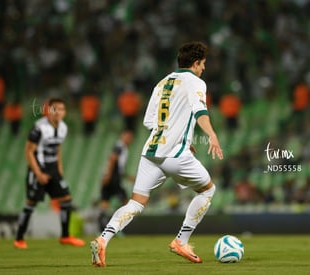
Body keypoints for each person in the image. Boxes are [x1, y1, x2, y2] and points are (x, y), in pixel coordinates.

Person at [90, 41, 223, 267]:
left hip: (151, 153)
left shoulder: (162, 82)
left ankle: (102, 240)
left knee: (136, 203)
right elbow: (200, 111)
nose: (204, 68)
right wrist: (211, 134)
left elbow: (149, 121)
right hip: (175, 155)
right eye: (203, 64)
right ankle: (181, 241)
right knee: (208, 190)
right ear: (195, 63)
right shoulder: (196, 82)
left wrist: (181, 136)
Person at [14, 98, 85, 249]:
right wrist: (38, 173)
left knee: (66, 199)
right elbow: (28, 151)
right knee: (31, 203)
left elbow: (57, 149)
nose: (59, 112)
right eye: (55, 109)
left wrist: (59, 170)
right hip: (38, 168)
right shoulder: (38, 128)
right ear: (49, 110)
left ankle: (65, 236)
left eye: (62, 109)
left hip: (53, 170)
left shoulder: (63, 128)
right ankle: (19, 238)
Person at [98, 130, 135, 231]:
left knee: (105, 202)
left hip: (111, 176)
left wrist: (128, 177)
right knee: (126, 202)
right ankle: (120, 226)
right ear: (122, 136)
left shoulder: (121, 147)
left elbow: (119, 167)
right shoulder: (120, 147)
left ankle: (102, 227)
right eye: (127, 136)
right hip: (113, 178)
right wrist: (109, 175)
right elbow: (112, 159)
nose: (129, 139)